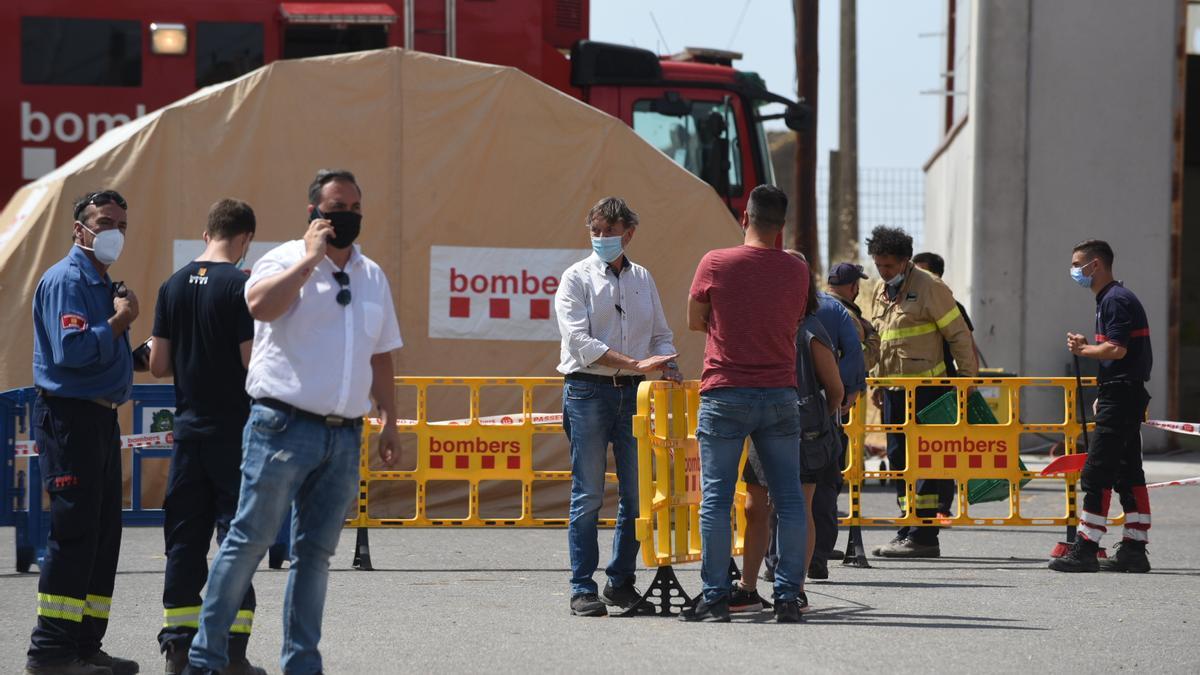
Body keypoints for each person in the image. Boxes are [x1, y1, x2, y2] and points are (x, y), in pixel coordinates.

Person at [183, 170, 404, 674]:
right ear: (313, 214)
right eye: (334, 207)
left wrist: (389, 418)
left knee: (315, 556)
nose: (344, 215)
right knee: (248, 541)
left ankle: (302, 663)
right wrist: (310, 260)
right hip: (282, 426)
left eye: (352, 206)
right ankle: (205, 658)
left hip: (344, 435)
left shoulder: (372, 276)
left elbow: (382, 354)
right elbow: (260, 306)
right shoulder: (283, 259)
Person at [26, 190, 142, 675]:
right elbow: (70, 352)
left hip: (98, 420)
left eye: (120, 222)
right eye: (103, 221)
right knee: (74, 536)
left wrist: (135, 352)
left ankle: (84, 645)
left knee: (101, 536)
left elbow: (100, 353)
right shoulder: (67, 280)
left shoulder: (101, 283)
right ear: (80, 229)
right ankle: (51, 653)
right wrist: (120, 321)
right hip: (70, 421)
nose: (113, 230)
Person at [683, 184, 808, 623]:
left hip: (725, 391)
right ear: (782, 226)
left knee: (716, 498)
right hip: (779, 393)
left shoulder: (715, 262)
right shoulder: (796, 272)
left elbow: (695, 320)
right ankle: (789, 597)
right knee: (789, 498)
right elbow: (794, 320)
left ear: (744, 218)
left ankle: (716, 597)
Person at [150, 200, 265, 675]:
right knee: (234, 542)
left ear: (206, 234)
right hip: (233, 436)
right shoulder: (242, 286)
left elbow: (158, 365)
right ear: (245, 240)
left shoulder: (172, 285)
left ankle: (179, 648)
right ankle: (232, 654)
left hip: (188, 435)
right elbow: (249, 361)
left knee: (184, 543)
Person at [554, 197, 680, 617]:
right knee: (588, 493)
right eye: (596, 230)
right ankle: (581, 588)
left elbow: (661, 334)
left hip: (634, 395)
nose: (602, 238)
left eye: (610, 230)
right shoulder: (575, 278)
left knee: (637, 493)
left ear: (629, 233)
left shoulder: (642, 277)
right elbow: (579, 342)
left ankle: (620, 582)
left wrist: (668, 362)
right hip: (588, 390)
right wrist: (635, 363)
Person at [730, 259, 843, 615]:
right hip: (765, 426)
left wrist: (816, 422)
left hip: (805, 432)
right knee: (755, 507)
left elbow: (835, 389)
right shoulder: (763, 323)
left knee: (798, 508)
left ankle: (795, 587)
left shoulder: (810, 329)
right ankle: (748, 588)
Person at [866, 226, 976, 558]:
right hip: (895, 392)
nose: (883, 271)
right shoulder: (880, 291)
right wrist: (877, 382)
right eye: (878, 265)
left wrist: (967, 382)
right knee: (899, 461)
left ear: (905, 261)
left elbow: (958, 335)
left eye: (888, 265)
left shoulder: (931, 288)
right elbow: (881, 340)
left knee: (928, 461)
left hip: (929, 391)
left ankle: (924, 535)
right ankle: (907, 527)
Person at [1050, 240, 1153, 573]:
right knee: (1127, 470)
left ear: (1096, 265)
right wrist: (1104, 388)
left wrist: (1084, 351)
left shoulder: (1115, 300)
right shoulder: (1112, 299)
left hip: (1121, 395)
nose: (1074, 271)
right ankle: (1135, 548)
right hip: (1121, 392)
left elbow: (1117, 349)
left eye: (1078, 264)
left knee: (1097, 472)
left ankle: (1086, 547)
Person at [912, 251, 977, 517]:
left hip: (945, 388)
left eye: (923, 272)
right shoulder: (913, 303)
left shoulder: (951, 304)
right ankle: (918, 515)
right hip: (917, 388)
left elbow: (968, 345)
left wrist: (967, 382)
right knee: (923, 450)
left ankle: (940, 507)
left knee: (941, 449)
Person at [826, 262, 881, 373]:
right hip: (841, 387)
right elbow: (859, 362)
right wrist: (873, 336)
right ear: (853, 286)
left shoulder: (816, 306)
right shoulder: (846, 316)